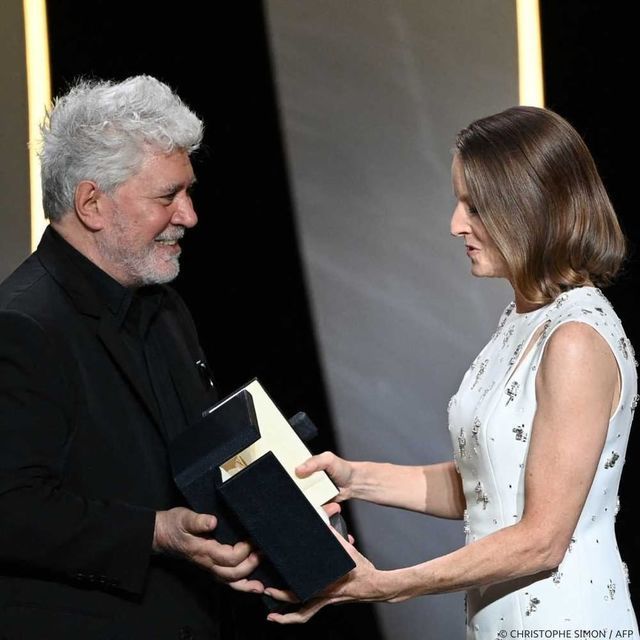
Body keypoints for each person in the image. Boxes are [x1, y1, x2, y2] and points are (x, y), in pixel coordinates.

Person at [265, 106, 639, 637]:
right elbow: (486, 486)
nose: (455, 224)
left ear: (531, 207)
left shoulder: (575, 338)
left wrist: (387, 585)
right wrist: (354, 480)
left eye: (475, 207)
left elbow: (542, 539)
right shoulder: (524, 319)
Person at [0, 75, 265, 639]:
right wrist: (155, 532)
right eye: (168, 197)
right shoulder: (21, 326)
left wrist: (289, 507)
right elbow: (11, 507)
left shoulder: (165, 308)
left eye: (188, 192)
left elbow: (201, 455)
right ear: (92, 204)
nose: (189, 215)